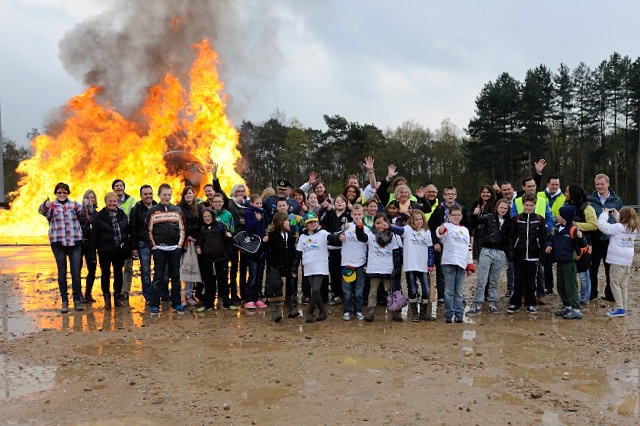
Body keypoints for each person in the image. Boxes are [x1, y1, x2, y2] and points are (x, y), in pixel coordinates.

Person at [38, 182, 85, 313]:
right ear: (56, 193)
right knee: (62, 272)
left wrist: (87, 204)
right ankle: (64, 301)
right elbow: (42, 211)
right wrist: (45, 205)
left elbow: (85, 212)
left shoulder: (74, 205)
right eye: (59, 192)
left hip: (74, 242)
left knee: (76, 273)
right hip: (58, 242)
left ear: (68, 193)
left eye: (64, 192)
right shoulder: (52, 206)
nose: (62, 194)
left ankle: (77, 300)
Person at [356, 212, 404, 322]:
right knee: (373, 292)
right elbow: (361, 237)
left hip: (388, 268)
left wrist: (397, 269)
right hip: (374, 267)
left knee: (392, 291)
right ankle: (370, 311)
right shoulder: (370, 234)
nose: (380, 225)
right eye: (377, 223)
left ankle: (396, 312)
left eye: (382, 223)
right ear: (374, 224)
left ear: (386, 223)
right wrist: (359, 227)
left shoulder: (393, 236)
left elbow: (397, 253)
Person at [467, 198, 512, 315]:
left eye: (505, 208)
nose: (503, 210)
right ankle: (477, 304)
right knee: (482, 279)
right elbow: (474, 223)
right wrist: (475, 214)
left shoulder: (509, 222)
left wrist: (509, 253)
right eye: (501, 207)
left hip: (501, 252)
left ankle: (491, 303)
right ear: (497, 207)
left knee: (494, 280)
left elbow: (510, 239)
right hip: (487, 250)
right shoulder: (489, 217)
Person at [293, 211, 340, 323]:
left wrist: (339, 237)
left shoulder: (323, 233)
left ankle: (310, 312)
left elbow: (332, 237)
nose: (313, 224)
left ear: (318, 222)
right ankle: (322, 311)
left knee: (315, 289)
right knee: (316, 292)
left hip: (320, 266)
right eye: (310, 222)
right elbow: (298, 254)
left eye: (315, 222)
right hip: (308, 267)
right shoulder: (302, 237)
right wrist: (294, 269)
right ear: (306, 224)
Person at [428, 185, 471, 304]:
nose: (450, 196)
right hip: (442, 245)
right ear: (444, 196)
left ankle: (457, 295)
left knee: (458, 269)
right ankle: (442, 296)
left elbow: (468, 225)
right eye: (448, 194)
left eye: (452, 194)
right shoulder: (439, 209)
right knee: (442, 271)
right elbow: (431, 227)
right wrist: (435, 242)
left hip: (457, 245)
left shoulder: (461, 209)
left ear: (456, 196)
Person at [148, 183, 186, 314]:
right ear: (159, 195)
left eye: (169, 195)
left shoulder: (177, 210)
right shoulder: (152, 211)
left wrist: (179, 246)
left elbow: (182, 229)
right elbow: (148, 230)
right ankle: (154, 304)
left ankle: (176, 303)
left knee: (175, 277)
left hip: (174, 249)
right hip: (159, 249)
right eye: (164, 195)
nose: (167, 197)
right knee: (158, 277)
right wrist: (154, 246)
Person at [507, 194, 548, 315]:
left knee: (531, 281)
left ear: (535, 205)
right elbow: (511, 237)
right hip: (519, 255)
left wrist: (543, 253)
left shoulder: (540, 219)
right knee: (518, 280)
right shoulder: (516, 218)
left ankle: (531, 303)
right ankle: (515, 303)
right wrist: (511, 251)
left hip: (533, 255)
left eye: (531, 205)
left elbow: (543, 238)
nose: (529, 207)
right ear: (523, 205)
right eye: (526, 205)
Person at [545, 205, 586, 320]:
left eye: (559, 214)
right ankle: (567, 306)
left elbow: (582, 244)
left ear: (564, 217)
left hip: (569, 262)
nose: (556, 216)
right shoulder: (557, 228)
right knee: (561, 285)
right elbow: (551, 239)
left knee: (571, 285)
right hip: (560, 261)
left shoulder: (573, 229)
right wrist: (549, 245)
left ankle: (576, 309)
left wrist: (581, 237)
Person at [91, 192, 131, 309]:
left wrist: (127, 248)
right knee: (105, 274)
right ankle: (107, 301)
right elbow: (94, 235)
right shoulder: (99, 216)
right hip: (105, 250)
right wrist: (92, 253)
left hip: (119, 250)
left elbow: (126, 232)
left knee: (118, 274)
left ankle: (117, 299)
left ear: (117, 202)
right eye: (110, 201)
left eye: (114, 201)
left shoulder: (122, 214)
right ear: (106, 202)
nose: (112, 203)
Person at [435, 205, 474, 323]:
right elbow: (439, 233)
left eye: (458, 215)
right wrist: (440, 230)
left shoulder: (466, 230)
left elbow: (469, 248)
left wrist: (470, 264)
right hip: (449, 262)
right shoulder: (447, 226)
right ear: (449, 216)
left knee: (459, 291)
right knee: (449, 291)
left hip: (461, 263)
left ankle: (459, 315)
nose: (456, 217)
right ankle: (448, 314)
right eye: (454, 215)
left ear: (462, 216)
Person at [587, 173, 623, 301]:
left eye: (602, 184)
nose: (600, 186)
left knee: (610, 268)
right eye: (597, 184)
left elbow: (621, 219)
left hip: (610, 239)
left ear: (608, 184)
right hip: (594, 238)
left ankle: (610, 293)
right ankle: (592, 293)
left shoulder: (616, 200)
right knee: (593, 267)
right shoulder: (589, 200)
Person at [597, 206, 638, 317]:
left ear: (623, 217)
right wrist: (616, 215)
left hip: (617, 261)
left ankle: (619, 308)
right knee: (623, 285)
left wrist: (604, 214)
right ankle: (623, 306)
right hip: (627, 261)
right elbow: (622, 225)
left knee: (614, 283)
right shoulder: (632, 228)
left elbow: (603, 226)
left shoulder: (619, 227)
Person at [195, 207, 235, 311]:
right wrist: (198, 247)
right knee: (209, 283)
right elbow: (200, 242)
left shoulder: (220, 226)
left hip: (221, 259)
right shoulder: (202, 229)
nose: (207, 218)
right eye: (205, 217)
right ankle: (208, 304)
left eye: (209, 216)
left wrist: (229, 236)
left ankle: (227, 303)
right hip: (207, 260)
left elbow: (231, 240)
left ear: (213, 216)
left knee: (223, 282)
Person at [564, 184, 598, 304]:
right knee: (572, 272)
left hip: (584, 244)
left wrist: (576, 225)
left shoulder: (587, 207)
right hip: (569, 244)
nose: (564, 193)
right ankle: (573, 296)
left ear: (573, 193)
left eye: (567, 191)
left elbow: (594, 225)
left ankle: (584, 298)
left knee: (583, 273)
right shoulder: (566, 205)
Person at [264, 211, 298, 321]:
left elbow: (292, 251)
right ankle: (275, 312)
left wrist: (293, 267)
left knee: (289, 288)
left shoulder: (290, 235)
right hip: (275, 267)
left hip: (287, 266)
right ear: (280, 222)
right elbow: (267, 251)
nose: (288, 222)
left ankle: (290, 309)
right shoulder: (272, 235)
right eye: (286, 220)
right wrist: (265, 242)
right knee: (275, 288)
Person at [401, 209, 435, 322]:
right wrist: (388, 226)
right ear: (412, 220)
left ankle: (423, 313)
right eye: (416, 219)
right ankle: (414, 313)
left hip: (422, 265)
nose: (419, 221)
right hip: (410, 265)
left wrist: (430, 263)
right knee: (412, 289)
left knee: (426, 289)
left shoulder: (426, 231)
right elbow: (398, 230)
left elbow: (430, 249)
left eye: (421, 219)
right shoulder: (407, 229)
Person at [129, 184, 159, 304]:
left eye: (150, 194)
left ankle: (159, 293)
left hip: (157, 243)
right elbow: (133, 229)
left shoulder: (159, 207)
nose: (148, 196)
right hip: (143, 243)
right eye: (145, 194)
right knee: (145, 271)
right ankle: (148, 296)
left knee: (159, 270)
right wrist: (134, 248)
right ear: (141, 196)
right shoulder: (136, 209)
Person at [338, 204, 368, 321]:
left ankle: (358, 310)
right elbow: (336, 236)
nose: (357, 216)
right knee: (346, 290)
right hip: (347, 263)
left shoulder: (366, 229)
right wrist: (341, 232)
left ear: (363, 214)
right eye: (355, 214)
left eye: (359, 214)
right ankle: (347, 310)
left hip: (360, 263)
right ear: (351, 215)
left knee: (359, 291)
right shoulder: (345, 226)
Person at [319, 194, 350, 305]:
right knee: (333, 272)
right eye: (337, 201)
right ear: (334, 203)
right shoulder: (330, 214)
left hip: (344, 248)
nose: (339, 203)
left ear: (346, 204)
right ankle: (333, 293)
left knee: (343, 272)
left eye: (342, 201)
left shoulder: (348, 215)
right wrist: (326, 210)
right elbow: (320, 221)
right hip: (330, 248)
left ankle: (342, 294)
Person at [178, 185, 203, 305]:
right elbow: (179, 225)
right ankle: (180, 296)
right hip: (183, 243)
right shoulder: (178, 208)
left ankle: (189, 295)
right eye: (186, 193)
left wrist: (196, 240)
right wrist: (186, 236)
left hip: (194, 243)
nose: (189, 195)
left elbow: (201, 225)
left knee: (190, 270)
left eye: (191, 193)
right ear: (183, 195)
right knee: (180, 270)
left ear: (194, 195)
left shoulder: (199, 208)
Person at [539, 176, 565, 295]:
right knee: (545, 261)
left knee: (558, 261)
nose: (554, 186)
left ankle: (556, 286)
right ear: (548, 184)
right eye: (552, 184)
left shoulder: (564, 198)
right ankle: (547, 286)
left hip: (558, 233)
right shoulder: (540, 196)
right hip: (542, 232)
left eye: (557, 185)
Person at [112, 179, 136, 301]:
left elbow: (134, 221)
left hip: (127, 239)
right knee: (117, 267)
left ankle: (125, 291)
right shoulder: (111, 201)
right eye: (117, 186)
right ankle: (117, 290)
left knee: (128, 267)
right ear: (113, 189)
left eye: (121, 185)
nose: (119, 187)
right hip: (115, 240)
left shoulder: (131, 201)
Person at [244, 194, 268, 309]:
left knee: (259, 275)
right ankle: (249, 299)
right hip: (252, 248)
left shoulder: (264, 213)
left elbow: (266, 227)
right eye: (257, 203)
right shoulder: (249, 213)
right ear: (251, 203)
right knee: (253, 275)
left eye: (260, 203)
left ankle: (257, 297)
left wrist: (266, 235)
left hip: (262, 248)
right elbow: (248, 229)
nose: (259, 205)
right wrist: (256, 220)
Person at [227, 183, 248, 303]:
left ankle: (244, 293)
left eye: (242, 191)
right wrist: (215, 178)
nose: (240, 193)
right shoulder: (231, 203)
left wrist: (246, 222)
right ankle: (234, 293)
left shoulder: (248, 204)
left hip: (245, 239)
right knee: (234, 266)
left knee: (244, 267)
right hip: (234, 238)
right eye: (238, 191)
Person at [79, 189, 98, 303]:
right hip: (80, 244)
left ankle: (88, 294)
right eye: (88, 198)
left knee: (92, 269)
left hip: (91, 245)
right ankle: (79, 294)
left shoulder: (97, 213)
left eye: (93, 198)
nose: (91, 200)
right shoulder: (79, 212)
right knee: (77, 269)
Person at [470, 185, 497, 261]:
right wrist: (474, 214)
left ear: (491, 193)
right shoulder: (476, 204)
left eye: (488, 192)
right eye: (483, 192)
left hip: (488, 236)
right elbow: (471, 219)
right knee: (480, 259)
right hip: (478, 236)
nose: (485, 194)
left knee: (488, 259)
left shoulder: (494, 205)